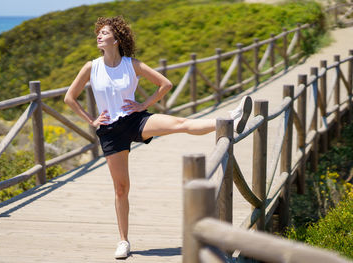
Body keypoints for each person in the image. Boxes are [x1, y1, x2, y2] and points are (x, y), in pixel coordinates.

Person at [64, 16, 252, 259]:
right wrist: (91, 120)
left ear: (117, 38)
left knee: (180, 123)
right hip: (110, 131)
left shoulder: (131, 64)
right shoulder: (91, 67)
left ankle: (231, 121)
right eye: (98, 33)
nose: (99, 35)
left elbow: (165, 84)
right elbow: (70, 97)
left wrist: (143, 104)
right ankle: (123, 241)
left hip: (134, 120)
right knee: (121, 189)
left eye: (104, 32)